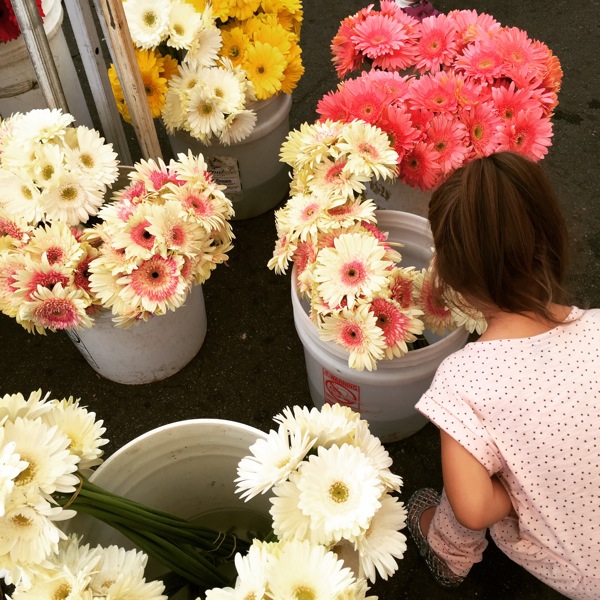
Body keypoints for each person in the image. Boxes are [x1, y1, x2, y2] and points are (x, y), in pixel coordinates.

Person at [406, 152, 600, 599]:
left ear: (450, 275)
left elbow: (473, 509)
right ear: (551, 236)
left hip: (585, 573)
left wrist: (515, 491)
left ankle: (446, 555)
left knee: (470, 468)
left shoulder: (463, 379)